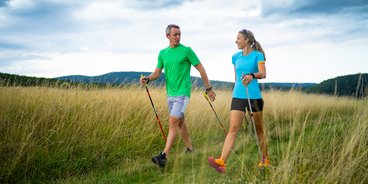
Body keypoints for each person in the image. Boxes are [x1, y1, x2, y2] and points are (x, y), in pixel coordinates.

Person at [140, 24, 216, 168]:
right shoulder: (163, 53)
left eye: (180, 34)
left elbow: (201, 69)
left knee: (173, 121)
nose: (178, 37)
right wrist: (148, 79)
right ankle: (190, 149)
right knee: (180, 122)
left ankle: (164, 156)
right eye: (175, 34)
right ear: (167, 36)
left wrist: (209, 88)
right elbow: (157, 73)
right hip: (171, 94)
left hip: (183, 93)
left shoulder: (187, 51)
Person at [208, 28, 269, 173]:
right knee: (233, 129)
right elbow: (236, 77)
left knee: (259, 130)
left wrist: (252, 75)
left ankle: (265, 160)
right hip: (238, 96)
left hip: (253, 96)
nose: (236, 41)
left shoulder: (258, 55)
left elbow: (263, 73)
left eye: (239, 38)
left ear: (246, 40)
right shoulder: (235, 57)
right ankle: (221, 161)